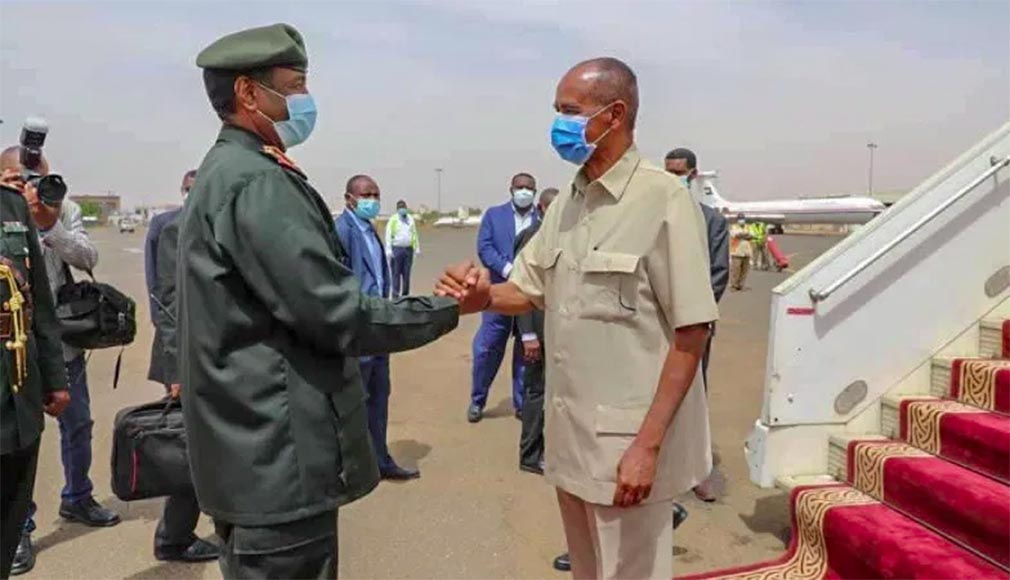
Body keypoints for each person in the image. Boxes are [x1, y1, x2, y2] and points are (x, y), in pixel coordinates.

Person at [181, 24, 465, 579]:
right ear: (248, 93)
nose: (306, 102)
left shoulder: (229, 172)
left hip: (250, 458)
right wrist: (447, 308)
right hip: (278, 462)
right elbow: (337, 313)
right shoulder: (256, 183)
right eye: (295, 86)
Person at [437, 57, 718, 579]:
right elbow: (528, 287)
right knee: (588, 570)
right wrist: (480, 296)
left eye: (570, 111)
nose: (558, 124)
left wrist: (646, 446)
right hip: (570, 440)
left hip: (626, 446)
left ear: (614, 115)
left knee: (630, 572)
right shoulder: (569, 198)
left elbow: (692, 331)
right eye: (556, 111)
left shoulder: (663, 200)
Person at [0, 148, 117, 577]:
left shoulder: (61, 207)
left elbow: (87, 259)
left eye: (37, 176)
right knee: (17, 442)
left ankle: (78, 497)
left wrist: (49, 225)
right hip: (15, 351)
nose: (30, 184)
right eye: (19, 176)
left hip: (61, 341)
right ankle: (19, 527)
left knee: (79, 424)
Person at [143, 169, 219, 563]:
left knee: (213, 448)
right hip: (186, 361)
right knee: (190, 450)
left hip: (213, 357)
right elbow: (168, 305)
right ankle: (174, 536)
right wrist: (174, 371)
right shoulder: (175, 228)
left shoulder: (215, 224)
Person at [0, 172, 69, 579]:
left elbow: (39, 301)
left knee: (7, 522)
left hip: (16, 394)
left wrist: (55, 378)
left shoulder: (10, 204)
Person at [336, 175, 420, 481]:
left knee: (379, 396)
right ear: (349, 199)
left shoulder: (370, 230)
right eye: (366, 195)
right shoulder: (341, 232)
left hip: (378, 329)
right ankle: (350, 466)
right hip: (358, 330)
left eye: (375, 194)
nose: (372, 200)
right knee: (353, 401)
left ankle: (379, 460)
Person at [665, 148, 729, 504]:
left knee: (693, 395)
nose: (673, 176)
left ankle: (697, 469)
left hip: (692, 327)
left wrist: (689, 315)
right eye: (668, 171)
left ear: (692, 174)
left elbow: (717, 276)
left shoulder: (712, 222)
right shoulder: (654, 215)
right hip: (654, 325)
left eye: (679, 172)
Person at [468, 172, 539, 423]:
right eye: (520, 187)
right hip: (498, 295)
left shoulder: (541, 219)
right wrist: (508, 269)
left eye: (529, 188)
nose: (524, 192)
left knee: (525, 352)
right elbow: (485, 247)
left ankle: (521, 404)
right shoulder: (494, 215)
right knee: (487, 349)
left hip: (528, 298)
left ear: (535, 191)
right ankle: (477, 400)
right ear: (511, 190)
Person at [516, 187, 558, 475]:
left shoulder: (562, 234)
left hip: (558, 330)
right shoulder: (532, 237)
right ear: (542, 209)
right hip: (537, 331)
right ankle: (530, 455)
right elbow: (521, 288)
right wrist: (528, 335)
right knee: (536, 392)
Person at [384, 199, 420, 298]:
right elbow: (388, 234)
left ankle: (405, 295)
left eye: (403, 207)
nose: (402, 210)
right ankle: (395, 296)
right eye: (400, 208)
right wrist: (388, 249)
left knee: (406, 274)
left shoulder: (410, 219)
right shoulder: (393, 219)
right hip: (396, 249)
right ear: (397, 209)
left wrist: (417, 247)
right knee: (396, 273)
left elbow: (414, 234)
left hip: (408, 250)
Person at [730, 214, 753, 291]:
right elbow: (736, 235)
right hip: (737, 252)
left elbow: (752, 235)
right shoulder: (734, 227)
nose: (741, 220)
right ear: (737, 219)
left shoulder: (748, 227)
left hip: (747, 252)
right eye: (740, 218)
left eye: (742, 218)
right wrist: (745, 235)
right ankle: (734, 285)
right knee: (736, 270)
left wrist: (743, 235)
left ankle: (741, 285)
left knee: (744, 270)